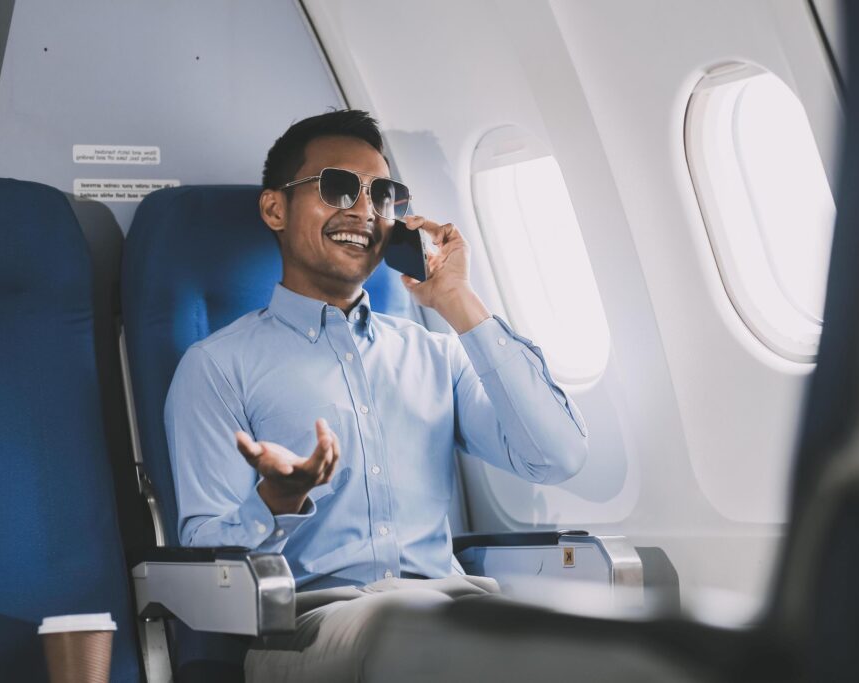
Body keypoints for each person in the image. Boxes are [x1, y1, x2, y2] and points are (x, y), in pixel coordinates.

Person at [164, 109, 588, 680]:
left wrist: (460, 303)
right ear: (275, 208)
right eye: (339, 188)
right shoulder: (216, 368)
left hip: (449, 611)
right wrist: (275, 500)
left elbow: (557, 455)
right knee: (421, 630)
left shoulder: (435, 353)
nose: (364, 210)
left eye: (384, 195)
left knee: (594, 635)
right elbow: (203, 558)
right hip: (307, 628)